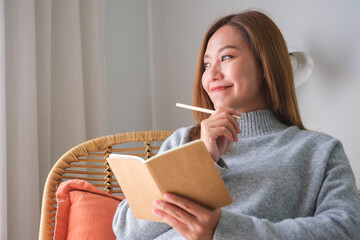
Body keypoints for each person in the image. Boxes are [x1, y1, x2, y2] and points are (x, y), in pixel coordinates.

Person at [113, 10, 360, 239]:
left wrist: (225, 230)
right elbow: (126, 230)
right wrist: (198, 163)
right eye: (207, 64)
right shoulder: (183, 141)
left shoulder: (319, 151)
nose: (211, 75)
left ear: (265, 65)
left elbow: (345, 229)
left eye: (226, 57)